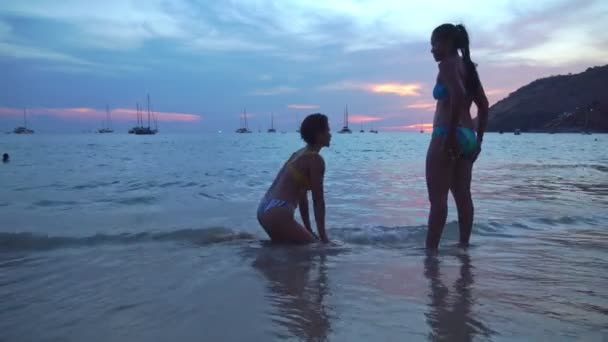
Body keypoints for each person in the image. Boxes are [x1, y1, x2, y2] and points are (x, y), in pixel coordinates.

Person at [426, 24, 489, 249]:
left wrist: (450, 135)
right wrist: (479, 140)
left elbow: (458, 95)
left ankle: (430, 254)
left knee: (438, 200)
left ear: (449, 44)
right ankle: (464, 248)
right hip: (468, 136)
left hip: (447, 133)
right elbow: (483, 105)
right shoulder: (468, 68)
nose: (432, 49)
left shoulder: (447, 65)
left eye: (436, 43)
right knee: (463, 195)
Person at [257, 113, 331, 244]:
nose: (330, 135)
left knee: (286, 250)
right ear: (319, 134)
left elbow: (302, 197)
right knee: (317, 249)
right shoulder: (315, 159)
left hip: (265, 208)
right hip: (278, 211)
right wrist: (323, 237)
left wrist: (308, 229)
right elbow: (318, 200)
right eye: (328, 130)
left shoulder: (298, 154)